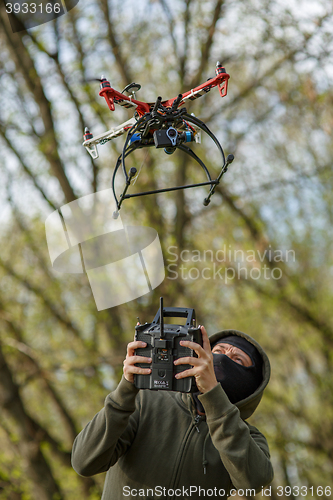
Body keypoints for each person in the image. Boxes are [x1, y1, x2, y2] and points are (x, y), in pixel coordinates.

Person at [71, 326, 274, 499]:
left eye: (237, 359)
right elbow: (84, 462)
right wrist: (125, 390)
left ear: (252, 385)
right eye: (218, 351)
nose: (221, 359)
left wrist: (214, 396)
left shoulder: (249, 438)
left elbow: (253, 482)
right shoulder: (144, 402)